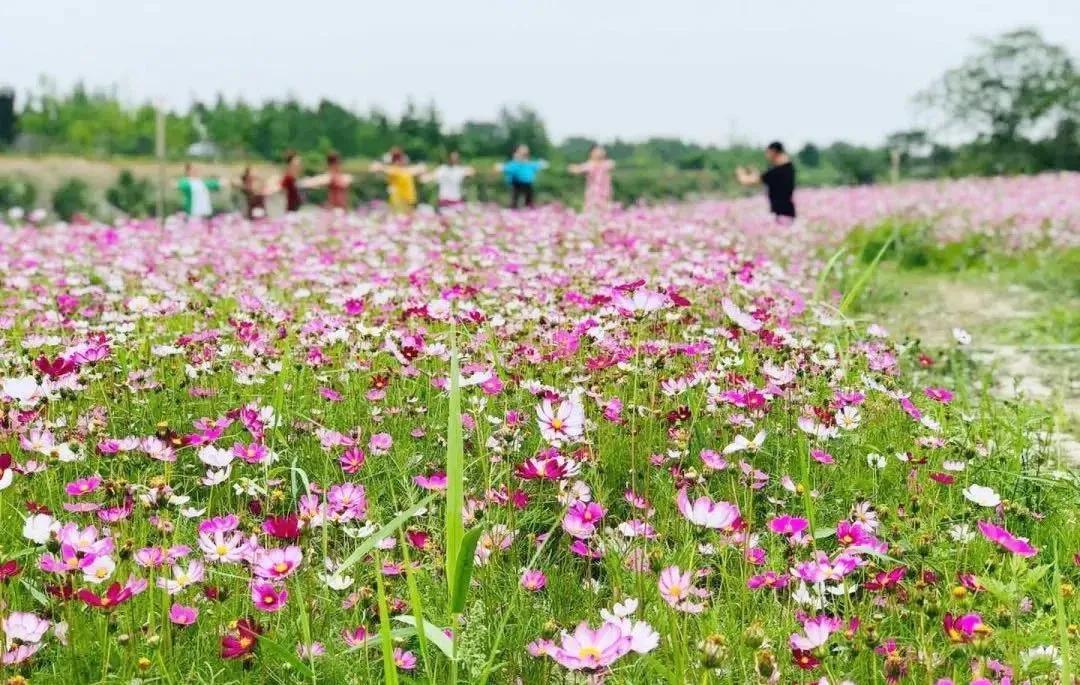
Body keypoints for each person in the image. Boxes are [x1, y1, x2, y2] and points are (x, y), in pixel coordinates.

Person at [736, 141, 796, 221]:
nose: (767, 156)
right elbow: (763, 177)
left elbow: (748, 181)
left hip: (781, 214)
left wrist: (740, 173)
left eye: (768, 153)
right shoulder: (789, 168)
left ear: (773, 152)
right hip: (788, 213)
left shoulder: (776, 171)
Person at [370, 148, 426, 213]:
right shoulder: (393, 170)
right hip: (398, 200)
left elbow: (421, 169)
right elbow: (374, 168)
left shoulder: (403, 170)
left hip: (407, 200)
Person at [496, 144, 547, 209]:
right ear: (516, 153)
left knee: (529, 195)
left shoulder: (529, 163)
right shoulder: (515, 163)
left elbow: (536, 165)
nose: (523, 156)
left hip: (528, 183)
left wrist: (541, 164)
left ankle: (529, 206)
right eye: (521, 152)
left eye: (525, 153)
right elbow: (508, 167)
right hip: (516, 182)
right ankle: (514, 207)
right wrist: (502, 167)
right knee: (515, 196)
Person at [568, 144, 615, 212]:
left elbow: (612, 165)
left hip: (606, 194)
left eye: (602, 150)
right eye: (598, 150)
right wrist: (572, 168)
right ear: (591, 153)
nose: (601, 152)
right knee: (591, 212)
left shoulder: (607, 163)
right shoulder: (588, 165)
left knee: (606, 212)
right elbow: (577, 169)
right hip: (592, 195)